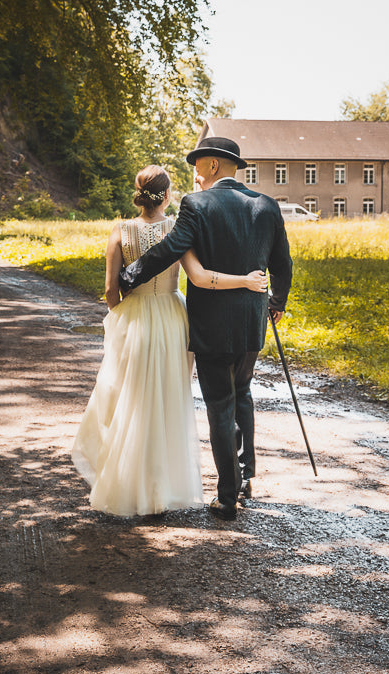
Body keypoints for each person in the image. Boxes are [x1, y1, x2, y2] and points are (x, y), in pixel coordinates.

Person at [71, 165, 268, 518]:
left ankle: (134, 488)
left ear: (139, 193)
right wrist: (246, 281)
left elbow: (109, 290)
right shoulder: (179, 228)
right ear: (167, 195)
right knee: (167, 404)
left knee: (133, 401)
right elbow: (199, 276)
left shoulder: (119, 232)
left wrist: (123, 315)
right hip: (173, 320)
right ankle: (161, 491)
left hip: (135, 318)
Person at [119, 137, 293, 522]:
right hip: (252, 321)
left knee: (219, 403)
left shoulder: (196, 204)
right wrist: (276, 303)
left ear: (213, 166)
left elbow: (171, 247)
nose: (195, 173)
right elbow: (283, 263)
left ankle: (227, 497)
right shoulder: (267, 205)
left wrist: (131, 274)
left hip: (212, 324)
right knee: (242, 390)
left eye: (198, 165)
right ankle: (246, 476)